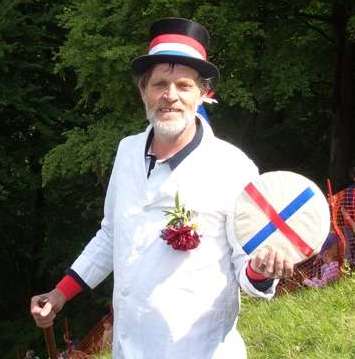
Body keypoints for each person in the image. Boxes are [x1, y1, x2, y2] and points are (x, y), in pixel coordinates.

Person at [31, 18, 294, 358]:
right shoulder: (126, 152)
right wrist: (60, 294)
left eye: (184, 85)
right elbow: (111, 235)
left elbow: (248, 264)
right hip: (129, 349)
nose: (170, 96)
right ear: (143, 91)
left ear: (204, 94)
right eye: (160, 84)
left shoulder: (233, 167)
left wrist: (262, 268)